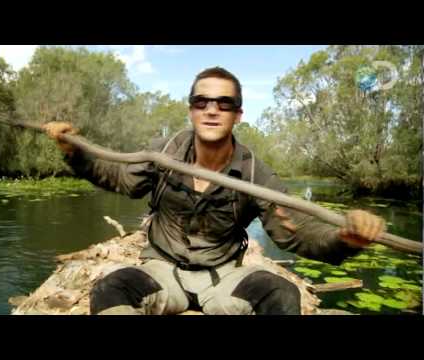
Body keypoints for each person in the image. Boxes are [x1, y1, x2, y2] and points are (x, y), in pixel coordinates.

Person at [43, 66, 386, 315]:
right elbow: (116, 176)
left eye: (224, 103)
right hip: (161, 270)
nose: (211, 109)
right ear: (191, 109)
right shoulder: (161, 153)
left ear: (238, 115)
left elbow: (296, 232)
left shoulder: (255, 172)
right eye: (201, 101)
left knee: (281, 292)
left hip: (225, 277)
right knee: (110, 288)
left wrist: (344, 237)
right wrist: (74, 151)